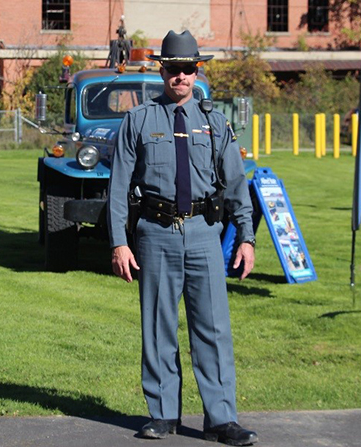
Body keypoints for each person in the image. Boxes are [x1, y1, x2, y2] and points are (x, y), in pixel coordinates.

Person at [107, 30, 258, 445]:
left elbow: (235, 184)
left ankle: (222, 418)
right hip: (155, 234)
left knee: (212, 328)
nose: (181, 77)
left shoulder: (214, 121)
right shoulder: (138, 121)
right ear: (162, 70)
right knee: (157, 326)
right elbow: (118, 188)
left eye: (188, 69)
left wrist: (246, 237)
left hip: (204, 234)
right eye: (174, 69)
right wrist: (119, 242)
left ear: (197, 70)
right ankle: (162, 415)